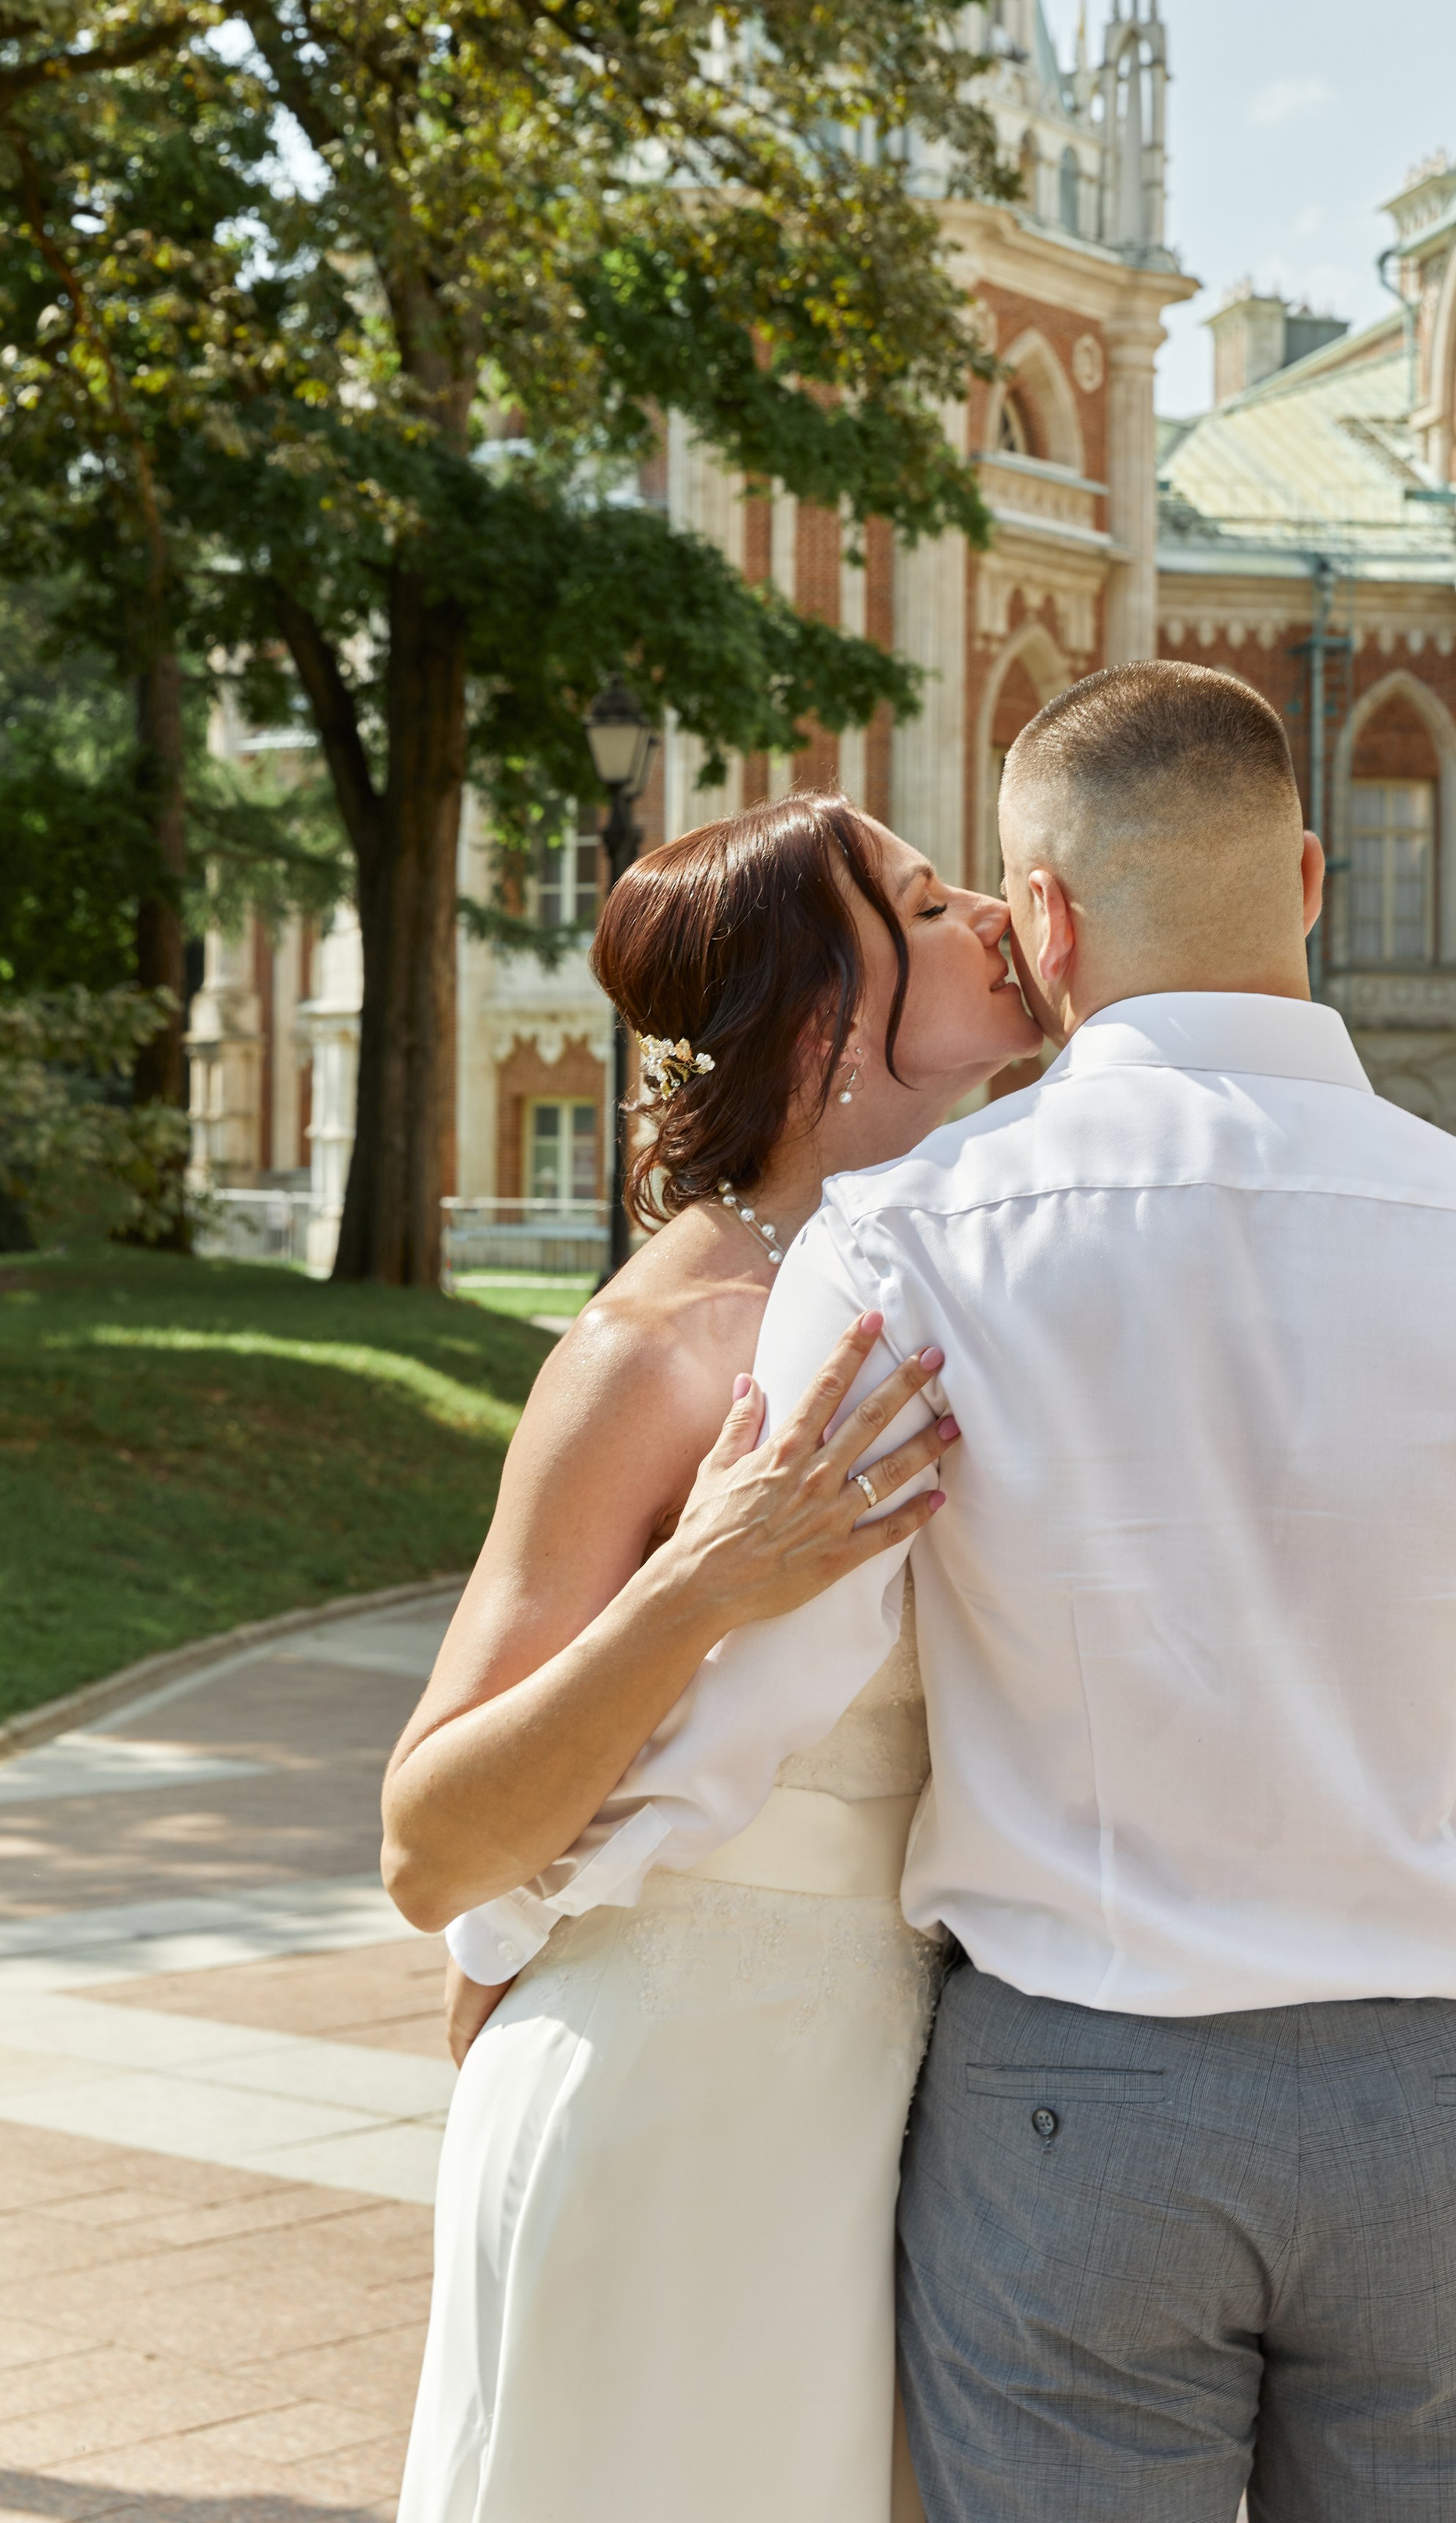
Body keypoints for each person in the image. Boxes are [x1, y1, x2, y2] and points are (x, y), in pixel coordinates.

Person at [513, 659, 1456, 2523]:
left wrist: (527, 1914)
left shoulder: (907, 1241)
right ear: (1307, 881)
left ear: (1050, 914)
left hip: (1074, 2104)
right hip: (1442, 2098)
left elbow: (779, 1667)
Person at [384, 791, 1046, 2523]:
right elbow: (433, 1843)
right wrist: (700, 1581)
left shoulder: (990, 1276)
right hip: (674, 2099)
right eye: (922, 896)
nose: (989, 910)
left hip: (912, 2103)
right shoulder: (652, 1350)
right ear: (827, 1013)